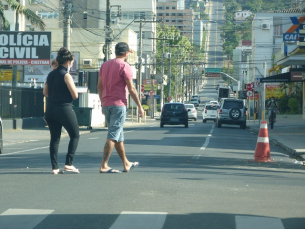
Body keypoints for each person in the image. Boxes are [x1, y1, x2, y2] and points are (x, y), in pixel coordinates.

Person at [97, 42, 144, 173]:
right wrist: (140, 106)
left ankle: (126, 163)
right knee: (113, 135)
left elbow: (99, 86)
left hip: (107, 104)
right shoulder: (125, 66)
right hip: (119, 105)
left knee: (119, 137)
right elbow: (132, 88)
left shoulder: (105, 65)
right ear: (126, 53)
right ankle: (104, 165)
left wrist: (102, 102)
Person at [43, 47, 80, 175]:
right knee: (75, 135)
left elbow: (45, 92)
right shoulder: (66, 75)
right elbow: (75, 95)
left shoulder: (51, 74)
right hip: (64, 109)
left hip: (50, 110)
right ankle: (69, 163)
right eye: (72, 62)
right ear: (68, 62)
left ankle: (55, 167)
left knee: (54, 138)